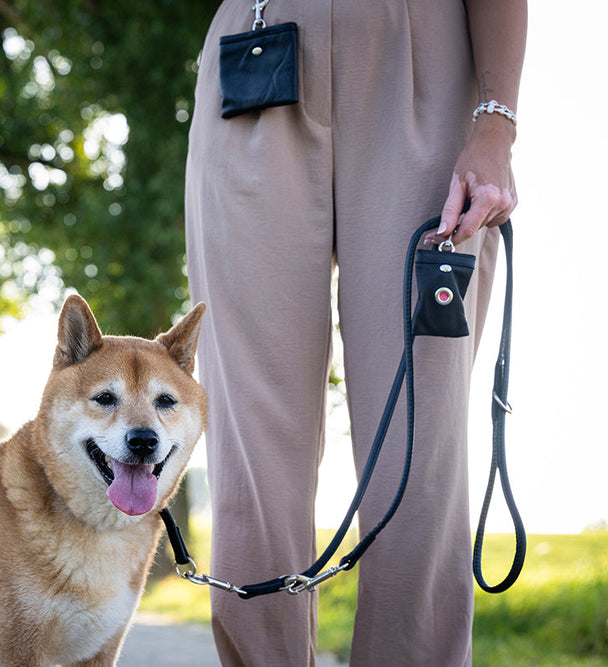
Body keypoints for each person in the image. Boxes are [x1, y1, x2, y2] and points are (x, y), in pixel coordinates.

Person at [184, 1, 526, 665]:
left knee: (420, 434)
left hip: (423, 60)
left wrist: (497, 124)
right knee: (252, 433)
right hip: (255, 43)